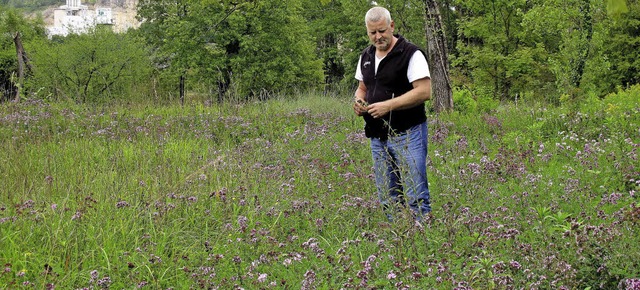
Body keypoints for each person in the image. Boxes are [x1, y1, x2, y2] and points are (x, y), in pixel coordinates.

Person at [353, 6, 432, 223]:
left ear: (392, 26)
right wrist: (359, 102)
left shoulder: (411, 53)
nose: (378, 37)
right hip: (378, 136)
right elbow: (363, 87)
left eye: (382, 31)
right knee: (388, 194)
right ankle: (397, 238)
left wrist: (388, 106)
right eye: (373, 33)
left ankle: (422, 236)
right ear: (367, 32)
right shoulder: (366, 56)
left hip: (408, 134)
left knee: (416, 193)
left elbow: (424, 92)